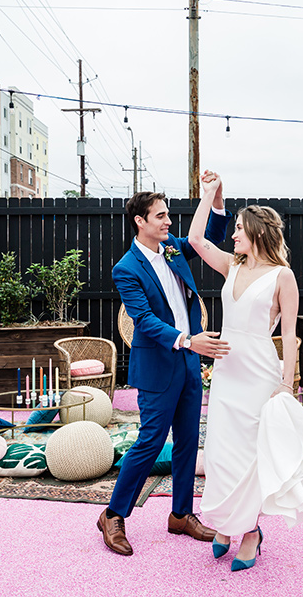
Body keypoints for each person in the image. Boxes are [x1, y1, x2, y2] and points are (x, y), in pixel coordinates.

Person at [189, 171, 303, 572]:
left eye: (240, 229)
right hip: (227, 372)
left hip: (261, 373)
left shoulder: (283, 276)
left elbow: (292, 335)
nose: (233, 235)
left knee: (251, 456)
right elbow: (195, 240)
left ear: (259, 232)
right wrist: (209, 195)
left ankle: (250, 533)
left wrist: (285, 384)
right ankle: (226, 523)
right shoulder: (232, 265)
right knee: (223, 453)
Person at [97, 185, 233, 556]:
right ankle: (112, 515)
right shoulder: (126, 268)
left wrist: (216, 201)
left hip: (189, 363)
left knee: (190, 440)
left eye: (168, 215)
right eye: (160, 216)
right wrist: (190, 341)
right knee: (150, 442)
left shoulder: (173, 248)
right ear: (140, 222)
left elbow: (210, 238)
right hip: (159, 365)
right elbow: (143, 320)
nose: (168, 221)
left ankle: (181, 514)